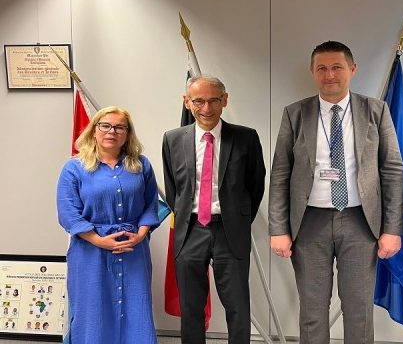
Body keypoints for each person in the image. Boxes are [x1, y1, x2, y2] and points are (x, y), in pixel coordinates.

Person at [269, 41, 403, 343]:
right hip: (309, 223)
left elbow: (392, 171)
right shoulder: (295, 113)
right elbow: (280, 173)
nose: (329, 75)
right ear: (312, 72)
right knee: (312, 311)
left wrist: (392, 229)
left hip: (360, 222)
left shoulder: (376, 111)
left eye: (337, 67)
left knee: (359, 310)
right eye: (322, 68)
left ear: (352, 69)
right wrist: (278, 229)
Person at [162, 75, 266, 344]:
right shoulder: (172, 139)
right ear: (187, 102)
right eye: (198, 101)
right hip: (190, 231)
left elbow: (255, 185)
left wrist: (238, 219)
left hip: (230, 231)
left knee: (237, 306)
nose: (206, 108)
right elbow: (173, 188)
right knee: (191, 307)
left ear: (225, 100)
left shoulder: (246, 138)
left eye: (213, 100)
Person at [57, 106, 160, 344]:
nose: (112, 131)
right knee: (93, 310)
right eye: (105, 125)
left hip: (133, 248)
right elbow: (68, 212)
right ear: (94, 130)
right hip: (89, 251)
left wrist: (140, 235)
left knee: (136, 307)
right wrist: (98, 240)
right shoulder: (74, 168)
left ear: (127, 133)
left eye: (119, 127)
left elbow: (151, 204)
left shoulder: (141, 165)